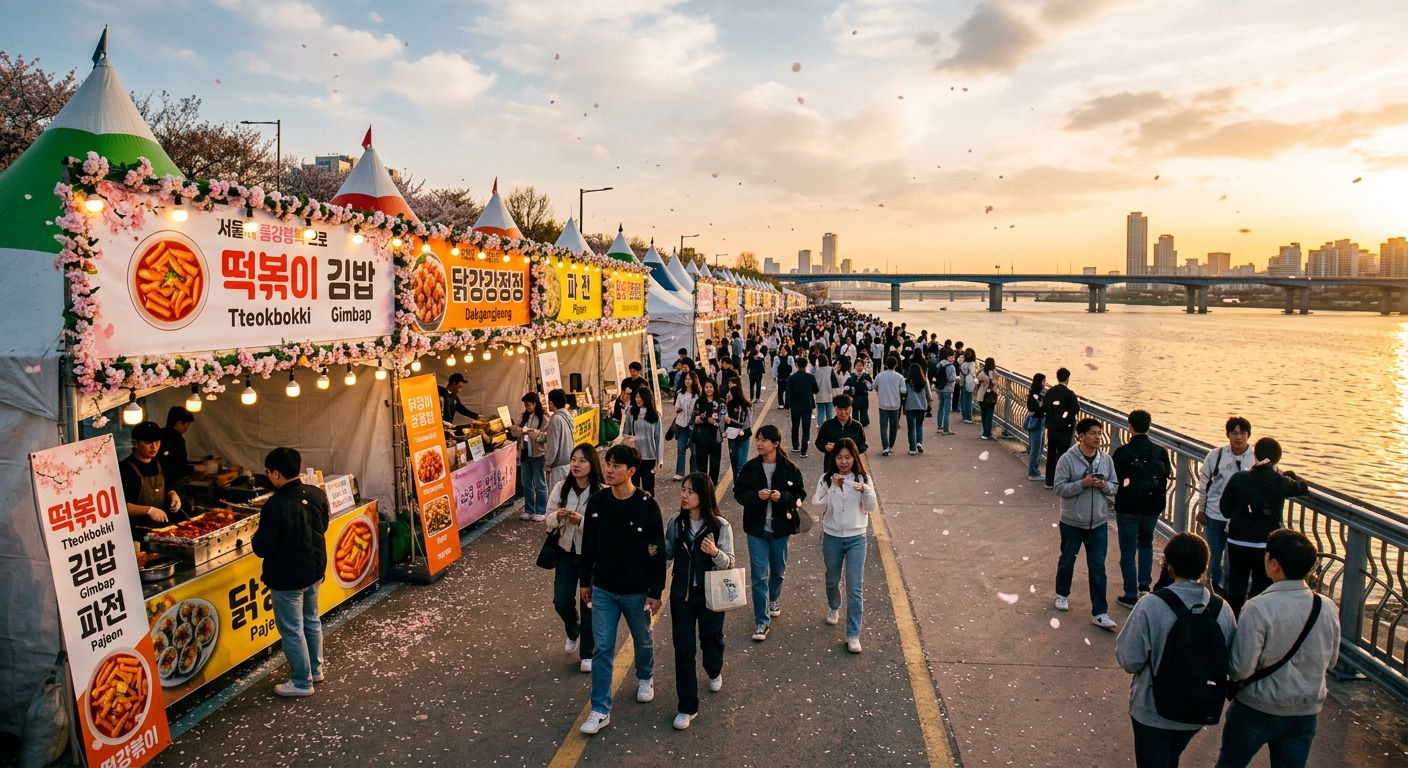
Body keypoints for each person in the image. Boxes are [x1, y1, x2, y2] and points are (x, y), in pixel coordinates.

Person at [1216, 530, 1339, 768]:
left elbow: (1241, 668)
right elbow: (1331, 660)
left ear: (1274, 564)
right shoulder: (1326, 607)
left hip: (1257, 708)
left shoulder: (1258, 607)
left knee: (1231, 763)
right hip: (1305, 711)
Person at [1115, 532, 1237, 768]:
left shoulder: (1151, 604)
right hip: (1197, 710)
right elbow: (1231, 662)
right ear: (1205, 568)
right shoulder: (1222, 609)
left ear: (1169, 566)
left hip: (1152, 709)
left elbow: (1129, 659)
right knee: (1172, 756)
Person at [578, 445, 667, 736]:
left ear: (631, 472)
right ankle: (600, 709)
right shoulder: (598, 501)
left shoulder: (645, 504)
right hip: (603, 588)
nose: (609, 469)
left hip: (637, 590)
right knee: (603, 648)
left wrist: (656, 591)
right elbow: (588, 545)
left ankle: (645, 676)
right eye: (608, 464)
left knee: (642, 639)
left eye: (616, 466)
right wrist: (585, 582)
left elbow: (658, 550)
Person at [251, 446, 330, 697]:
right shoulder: (317, 493)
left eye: (268, 472)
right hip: (314, 569)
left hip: (287, 577)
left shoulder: (275, 505)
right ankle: (315, 671)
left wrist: (255, 537)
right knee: (311, 621)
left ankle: (301, 682)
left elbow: (263, 547)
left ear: (275, 473)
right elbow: (324, 526)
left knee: (292, 629)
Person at [665, 472, 736, 730]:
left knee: (711, 642)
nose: (684, 495)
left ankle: (714, 669)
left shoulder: (720, 526)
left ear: (703, 496)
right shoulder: (676, 523)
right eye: (683, 490)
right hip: (681, 596)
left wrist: (714, 552)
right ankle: (687, 706)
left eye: (690, 491)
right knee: (683, 651)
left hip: (711, 596)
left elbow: (730, 561)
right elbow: (667, 554)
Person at [734, 424, 807, 642]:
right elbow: (739, 494)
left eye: (764, 440)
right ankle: (761, 622)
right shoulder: (750, 468)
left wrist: (781, 497)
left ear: (775, 444)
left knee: (778, 570)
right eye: (758, 439)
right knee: (758, 576)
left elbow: (799, 495)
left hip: (780, 530)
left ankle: (773, 597)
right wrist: (757, 495)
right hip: (756, 529)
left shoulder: (789, 468)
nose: (759, 443)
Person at [1220, 438, 1308, 616]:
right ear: (1278, 458)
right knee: (1260, 587)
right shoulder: (1280, 481)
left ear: (1255, 454)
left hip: (1237, 540)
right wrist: (1291, 475)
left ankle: (1232, 621)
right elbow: (1302, 487)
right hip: (1263, 543)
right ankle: (1254, 621)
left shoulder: (1239, 478)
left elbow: (1225, 510)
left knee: (1236, 584)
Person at [1054, 417, 1119, 630]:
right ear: (1080, 436)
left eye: (1100, 433)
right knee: (1067, 560)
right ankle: (1062, 594)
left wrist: (1104, 485)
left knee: (1098, 567)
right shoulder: (1067, 459)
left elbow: (1115, 487)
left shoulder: (1106, 460)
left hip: (1098, 522)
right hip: (1072, 521)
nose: (1098, 437)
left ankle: (1100, 612)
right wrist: (1083, 484)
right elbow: (1059, 488)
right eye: (1093, 433)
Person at [813, 438, 876, 653]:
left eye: (848, 457)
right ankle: (834, 606)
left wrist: (865, 490)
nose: (843, 461)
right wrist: (833, 488)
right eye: (839, 457)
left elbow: (871, 507)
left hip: (857, 537)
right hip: (832, 536)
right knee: (832, 579)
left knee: (854, 587)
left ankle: (853, 634)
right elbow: (818, 505)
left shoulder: (863, 478)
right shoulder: (826, 479)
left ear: (855, 457)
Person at [546, 444, 603, 673]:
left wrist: (583, 521)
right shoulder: (561, 487)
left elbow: (605, 528)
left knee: (589, 603)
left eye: (582, 460)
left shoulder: (601, 492)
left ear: (592, 465)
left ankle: (587, 652)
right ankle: (573, 628)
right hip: (565, 551)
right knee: (561, 600)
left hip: (591, 555)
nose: (576, 465)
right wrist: (557, 516)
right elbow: (547, 519)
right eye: (573, 460)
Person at [1112, 410, 1173, 609]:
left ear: (1130, 427)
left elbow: (1117, 480)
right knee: (1146, 543)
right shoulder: (1160, 452)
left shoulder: (1123, 453)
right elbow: (1167, 476)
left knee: (1128, 551)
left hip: (1128, 508)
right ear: (1149, 426)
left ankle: (1130, 595)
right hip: (1152, 508)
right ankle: (1144, 587)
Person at [1196, 417, 1254, 595]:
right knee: (1212, 560)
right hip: (1215, 515)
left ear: (1248, 435)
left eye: (1242, 433)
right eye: (1234, 433)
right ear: (1227, 434)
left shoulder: (1256, 457)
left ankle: (1231, 596)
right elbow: (1204, 483)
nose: (1238, 437)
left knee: (1234, 562)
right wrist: (1201, 510)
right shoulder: (1216, 456)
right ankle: (1212, 593)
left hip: (1241, 518)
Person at [120, 421, 181, 539]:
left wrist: (173, 494)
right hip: (136, 533)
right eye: (148, 443)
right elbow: (120, 507)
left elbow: (169, 484)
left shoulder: (160, 462)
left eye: (157, 442)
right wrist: (149, 510)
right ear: (135, 443)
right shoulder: (124, 469)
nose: (154, 447)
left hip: (160, 529)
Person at [510, 393, 549, 521]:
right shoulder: (523, 417)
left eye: (529, 404)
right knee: (526, 483)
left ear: (535, 404)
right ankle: (528, 510)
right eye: (525, 405)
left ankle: (541, 510)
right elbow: (514, 431)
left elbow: (547, 436)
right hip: (525, 454)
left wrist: (537, 435)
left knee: (540, 484)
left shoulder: (544, 418)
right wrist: (521, 430)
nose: (527, 407)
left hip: (538, 454)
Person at [1042, 368, 1079, 490]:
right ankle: (1060, 481)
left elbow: (1044, 408)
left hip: (1052, 428)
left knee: (1051, 453)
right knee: (1062, 454)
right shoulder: (1069, 394)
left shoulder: (1050, 392)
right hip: (1065, 428)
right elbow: (1075, 409)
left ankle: (1049, 481)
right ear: (1067, 379)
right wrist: (1067, 417)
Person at [621, 386, 662, 496]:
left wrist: (660, 458)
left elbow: (658, 437)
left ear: (646, 398)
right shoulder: (632, 412)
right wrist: (628, 439)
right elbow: (626, 432)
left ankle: (648, 508)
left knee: (648, 486)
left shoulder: (655, 416)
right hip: (635, 455)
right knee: (634, 485)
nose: (637, 399)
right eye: (636, 397)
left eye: (640, 397)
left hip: (650, 455)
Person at [690, 379, 727, 484]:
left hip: (715, 436)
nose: (708, 389)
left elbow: (724, 419)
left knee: (715, 462)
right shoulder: (699, 401)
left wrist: (716, 422)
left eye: (711, 387)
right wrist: (696, 419)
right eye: (706, 387)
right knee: (701, 462)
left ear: (714, 388)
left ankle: (712, 483)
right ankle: (702, 482)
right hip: (701, 435)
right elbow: (693, 416)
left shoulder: (720, 402)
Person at [815, 393, 867, 462]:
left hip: (852, 464)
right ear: (835, 409)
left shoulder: (857, 426)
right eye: (840, 409)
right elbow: (819, 442)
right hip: (831, 463)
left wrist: (851, 450)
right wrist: (825, 447)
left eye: (846, 409)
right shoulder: (827, 425)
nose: (843, 412)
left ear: (850, 409)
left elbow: (862, 445)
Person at [785, 358, 819, 458]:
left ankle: (795, 446)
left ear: (796, 365)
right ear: (806, 365)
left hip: (795, 406)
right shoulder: (810, 377)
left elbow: (788, 393)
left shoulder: (792, 378)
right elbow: (816, 390)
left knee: (795, 426)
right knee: (806, 428)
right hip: (807, 405)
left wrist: (787, 408)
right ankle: (804, 451)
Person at [544, 389, 576, 491]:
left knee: (557, 499)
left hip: (558, 467)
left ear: (551, 403)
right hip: (568, 464)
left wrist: (548, 463)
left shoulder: (555, 419)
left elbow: (553, 446)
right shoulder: (567, 415)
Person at [671, 371, 701, 479]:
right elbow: (676, 407)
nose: (687, 381)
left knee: (694, 451)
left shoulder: (698, 394)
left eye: (689, 379)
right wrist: (678, 409)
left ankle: (694, 472)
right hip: (681, 424)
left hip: (693, 425)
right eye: (686, 379)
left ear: (694, 380)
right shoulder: (680, 393)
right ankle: (680, 472)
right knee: (681, 448)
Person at [874, 355, 905, 456]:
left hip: (883, 404)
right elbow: (903, 390)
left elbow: (874, 386)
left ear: (886, 364)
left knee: (883, 426)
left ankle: (885, 447)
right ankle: (891, 445)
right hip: (895, 404)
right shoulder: (900, 377)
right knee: (893, 426)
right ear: (896, 365)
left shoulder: (879, 376)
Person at [158, 406, 195, 484]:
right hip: (171, 483)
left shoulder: (159, 434)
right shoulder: (178, 440)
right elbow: (180, 468)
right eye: (187, 424)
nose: (187, 427)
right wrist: (194, 469)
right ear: (179, 423)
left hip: (158, 480)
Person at [724, 383, 753, 478]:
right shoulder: (727, 406)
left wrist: (730, 420)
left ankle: (741, 485)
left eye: (730, 393)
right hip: (732, 436)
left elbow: (745, 422)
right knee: (734, 462)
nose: (728, 394)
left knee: (742, 463)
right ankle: (736, 482)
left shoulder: (746, 407)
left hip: (743, 436)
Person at [903, 362, 930, 456]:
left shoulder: (907, 382)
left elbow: (904, 393)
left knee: (911, 428)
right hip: (922, 406)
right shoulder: (924, 382)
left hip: (910, 406)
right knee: (919, 426)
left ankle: (912, 448)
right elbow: (929, 396)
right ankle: (919, 442)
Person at [1024, 374, 1047, 480]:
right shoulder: (1035, 394)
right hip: (1036, 421)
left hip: (1039, 420)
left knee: (1039, 447)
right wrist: (1042, 409)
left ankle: (1034, 470)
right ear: (1040, 382)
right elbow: (1033, 408)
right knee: (1036, 448)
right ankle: (1033, 472)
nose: (1045, 383)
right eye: (1044, 381)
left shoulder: (1038, 393)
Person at [844, 356, 873, 428]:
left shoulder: (866, 376)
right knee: (855, 414)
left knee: (864, 414)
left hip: (864, 397)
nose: (858, 367)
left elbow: (871, 387)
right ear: (854, 366)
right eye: (857, 365)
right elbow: (846, 385)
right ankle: (855, 424)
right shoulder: (851, 376)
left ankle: (864, 423)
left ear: (863, 366)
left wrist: (867, 383)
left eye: (860, 365)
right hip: (855, 397)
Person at [974, 357, 999, 439]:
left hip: (982, 396)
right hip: (992, 397)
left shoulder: (983, 374)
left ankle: (985, 432)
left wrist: (981, 369)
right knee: (990, 415)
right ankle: (988, 433)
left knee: (984, 415)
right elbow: (995, 381)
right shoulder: (995, 374)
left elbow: (977, 377)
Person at [933, 348, 956, 436]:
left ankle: (939, 426)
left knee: (940, 406)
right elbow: (951, 379)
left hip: (939, 388)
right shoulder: (950, 366)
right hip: (948, 389)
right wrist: (956, 378)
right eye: (951, 357)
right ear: (948, 357)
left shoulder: (939, 364)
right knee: (947, 409)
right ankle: (946, 429)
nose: (953, 358)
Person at [813, 354, 838, 425]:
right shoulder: (830, 369)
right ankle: (829, 427)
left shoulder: (817, 371)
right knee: (829, 414)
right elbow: (834, 383)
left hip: (819, 395)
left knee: (820, 413)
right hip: (829, 394)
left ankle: (821, 427)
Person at [958, 349, 977, 423]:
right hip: (969, 383)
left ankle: (964, 417)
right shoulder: (972, 364)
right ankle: (969, 417)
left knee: (963, 399)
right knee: (969, 400)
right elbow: (972, 373)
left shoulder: (963, 364)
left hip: (963, 382)